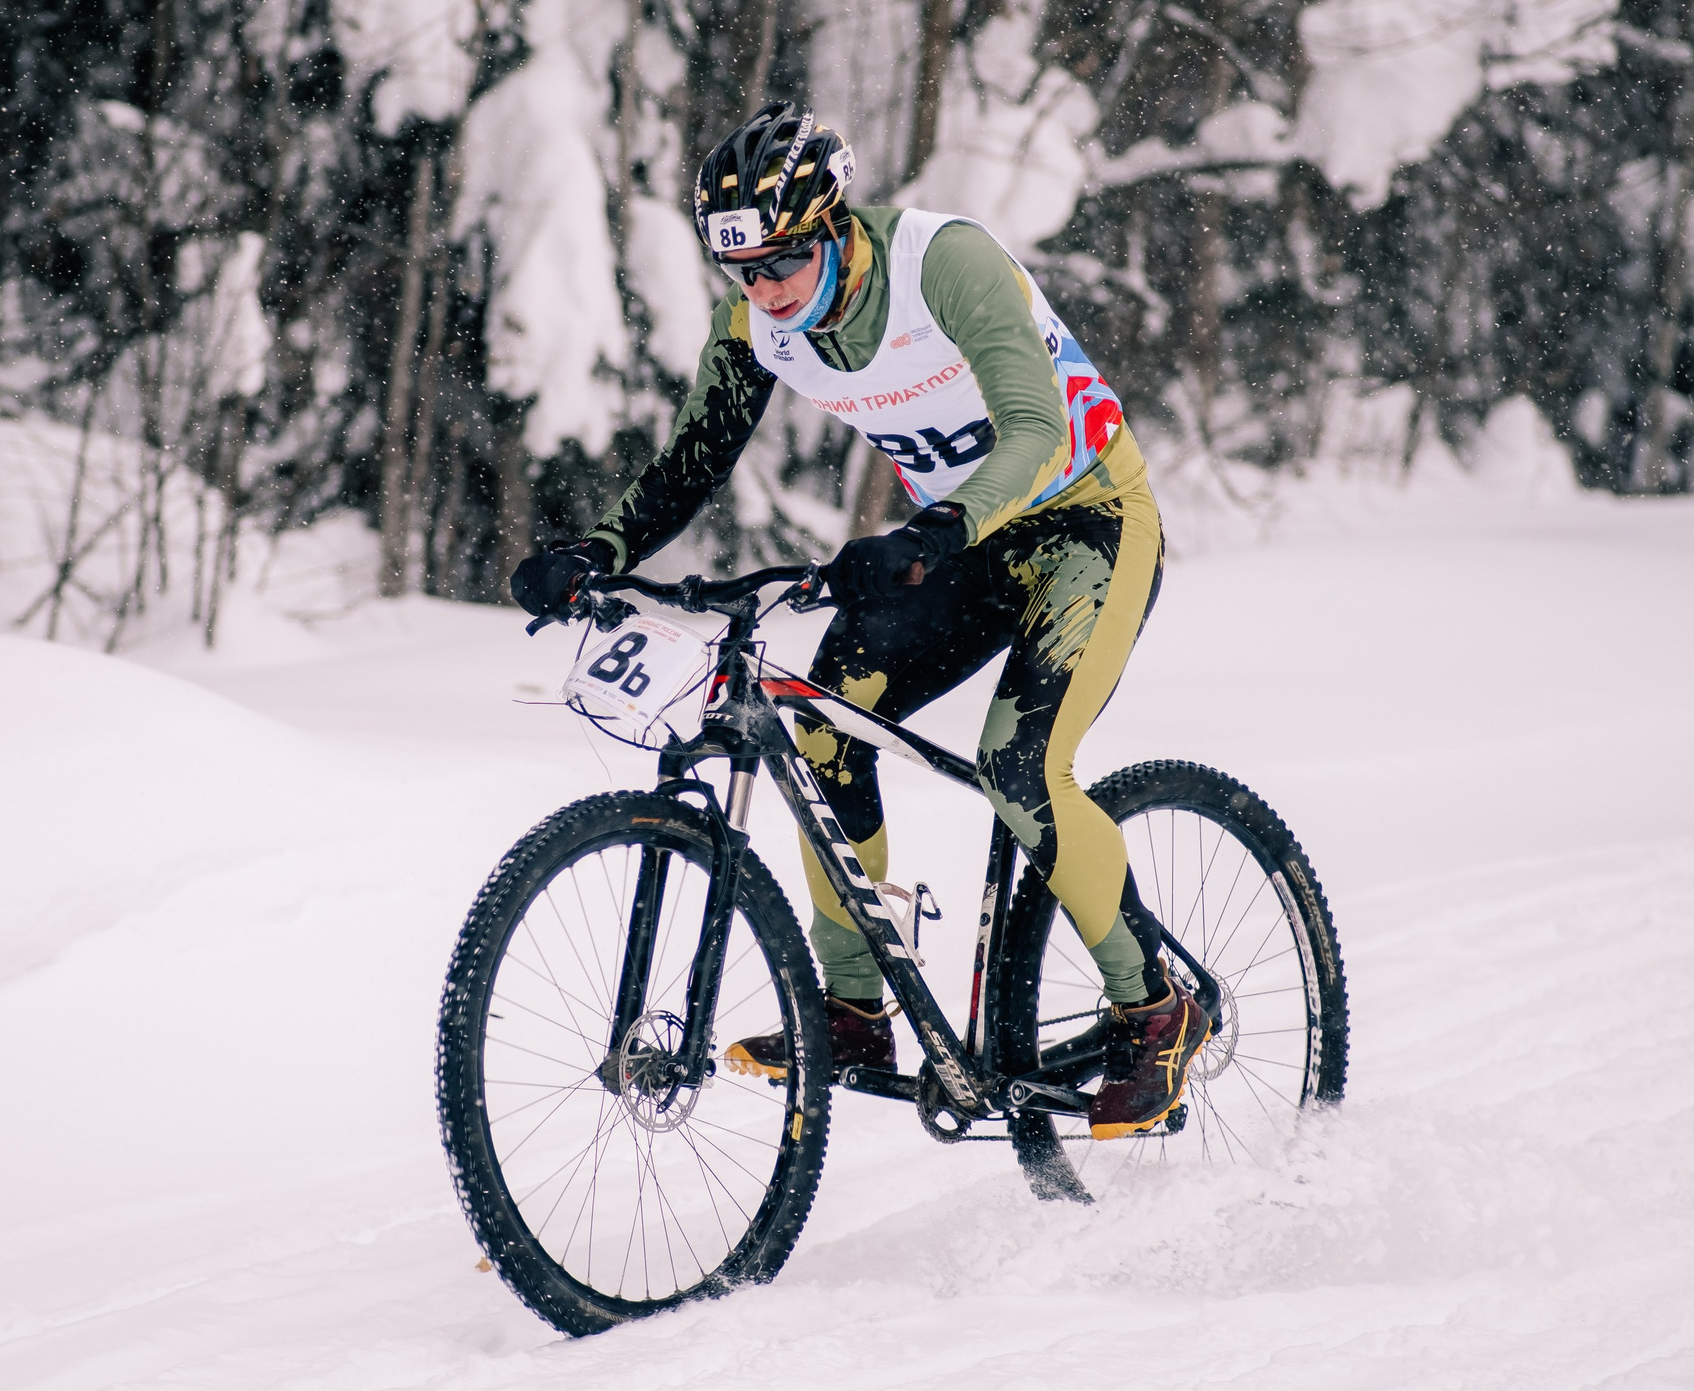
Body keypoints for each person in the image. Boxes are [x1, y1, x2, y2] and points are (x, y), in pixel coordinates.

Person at [509, 100, 1205, 1138]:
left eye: (784, 261)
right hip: (957, 543)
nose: (766, 291)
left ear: (834, 224)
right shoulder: (756, 322)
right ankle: (854, 1012)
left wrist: (932, 529)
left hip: (1088, 522)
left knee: (1020, 767)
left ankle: (1155, 1008)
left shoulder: (944, 265)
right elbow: (694, 459)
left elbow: (1035, 428)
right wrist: (598, 550)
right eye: (741, 271)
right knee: (825, 729)